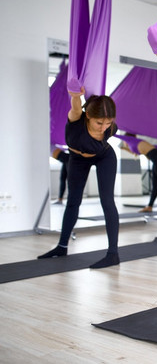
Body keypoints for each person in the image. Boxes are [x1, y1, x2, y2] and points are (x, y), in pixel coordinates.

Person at [38, 87, 121, 269]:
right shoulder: (77, 119)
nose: (104, 127)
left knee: (107, 201)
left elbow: (107, 128)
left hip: (105, 156)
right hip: (77, 159)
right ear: (88, 115)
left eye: (108, 123)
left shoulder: (110, 127)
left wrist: (105, 126)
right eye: (100, 123)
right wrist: (76, 95)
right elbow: (76, 107)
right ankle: (62, 246)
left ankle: (113, 254)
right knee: (73, 202)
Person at [119, 134, 157, 213]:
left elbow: (121, 146)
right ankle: (149, 206)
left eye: (124, 140)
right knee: (155, 185)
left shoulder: (133, 143)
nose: (124, 142)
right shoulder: (136, 143)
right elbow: (147, 153)